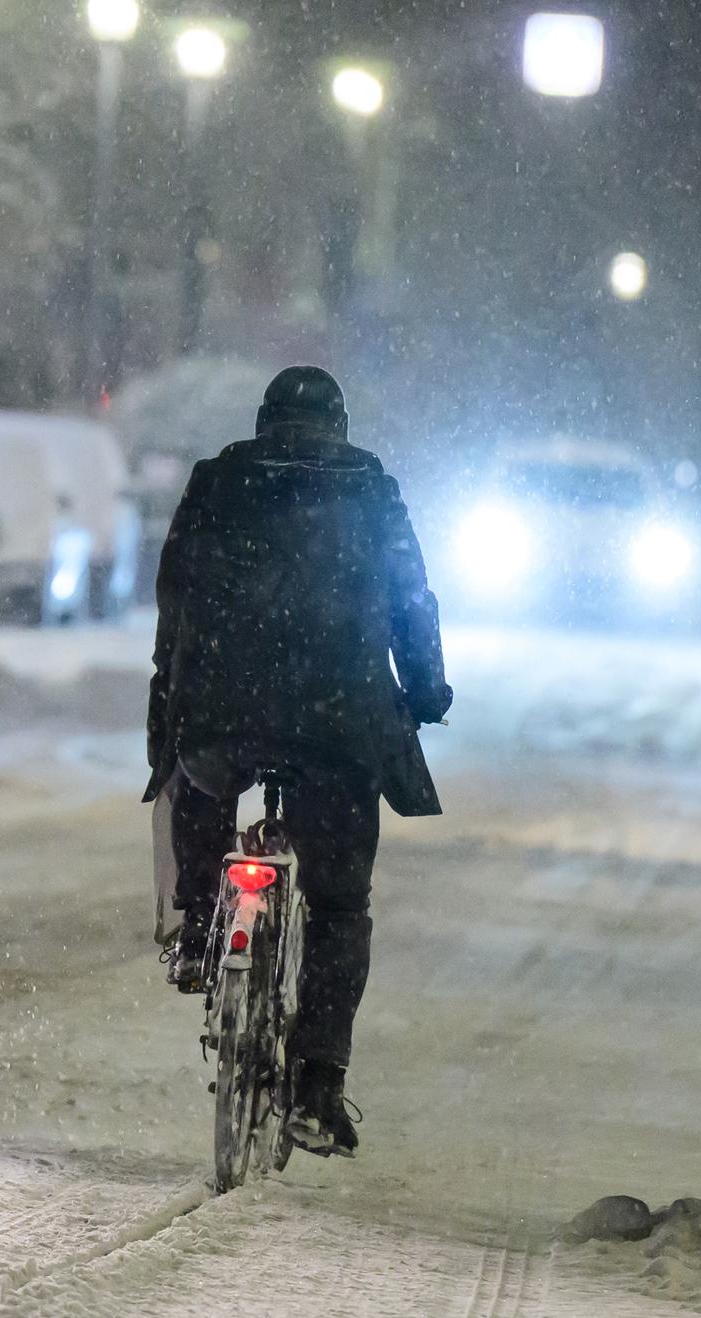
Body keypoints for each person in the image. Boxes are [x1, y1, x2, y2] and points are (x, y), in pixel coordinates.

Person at [144, 364, 452, 1158]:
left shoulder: (219, 478)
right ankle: (317, 1084)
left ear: (264, 420)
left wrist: (174, 683)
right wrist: (424, 691)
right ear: (339, 428)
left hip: (225, 705)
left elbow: (175, 590)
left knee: (202, 778)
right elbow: (412, 600)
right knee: (341, 904)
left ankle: (201, 926)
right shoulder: (372, 489)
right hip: (337, 719)